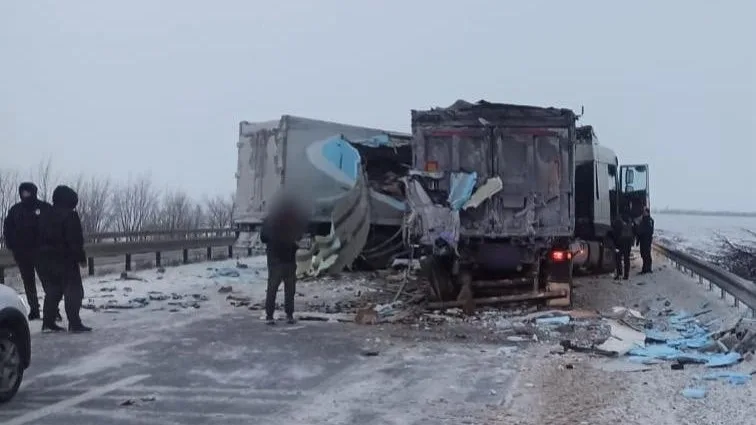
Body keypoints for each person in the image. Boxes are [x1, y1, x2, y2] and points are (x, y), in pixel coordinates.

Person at [36, 185, 91, 333]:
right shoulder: (70, 216)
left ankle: (48, 323)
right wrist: (81, 258)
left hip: (44, 260)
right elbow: (75, 240)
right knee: (73, 291)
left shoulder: (44, 215)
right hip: (65, 260)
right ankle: (74, 323)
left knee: (53, 292)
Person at [2, 182, 52, 320]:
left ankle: (53, 309)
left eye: (28, 192)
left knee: (48, 282)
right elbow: (8, 229)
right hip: (22, 253)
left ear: (33, 192)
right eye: (23, 192)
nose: (25, 195)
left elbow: (53, 227)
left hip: (42, 252)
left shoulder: (44, 208)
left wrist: (50, 246)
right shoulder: (15, 210)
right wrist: (12, 245)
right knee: (29, 283)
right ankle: (34, 310)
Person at [260, 197, 306, 325]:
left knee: (272, 288)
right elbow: (299, 236)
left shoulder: (269, 220)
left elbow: (263, 238)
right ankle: (289, 315)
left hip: (274, 259)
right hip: (289, 258)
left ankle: (269, 316)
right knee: (290, 289)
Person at [612, 214, 634, 280]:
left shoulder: (618, 222)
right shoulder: (630, 222)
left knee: (618, 258)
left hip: (620, 242)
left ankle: (619, 274)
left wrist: (616, 243)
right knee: (626, 259)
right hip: (628, 242)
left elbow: (616, 233)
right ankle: (626, 275)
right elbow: (633, 232)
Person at [636, 208, 655, 274]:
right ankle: (646, 268)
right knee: (644, 254)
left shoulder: (648, 220)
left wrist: (638, 226)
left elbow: (645, 230)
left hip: (646, 240)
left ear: (647, 212)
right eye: (643, 212)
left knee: (646, 254)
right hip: (644, 240)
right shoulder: (645, 220)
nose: (643, 213)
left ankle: (647, 269)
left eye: (644, 212)